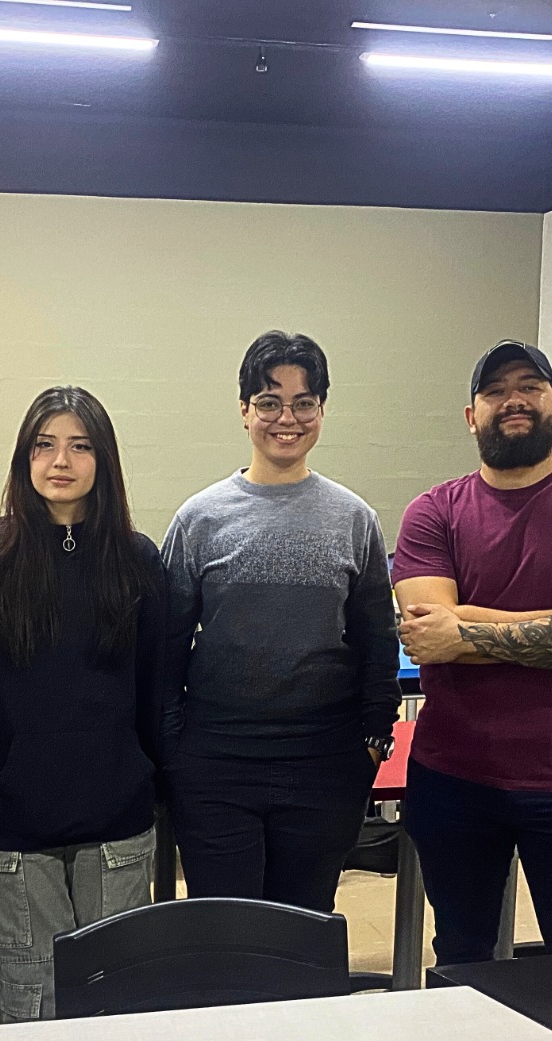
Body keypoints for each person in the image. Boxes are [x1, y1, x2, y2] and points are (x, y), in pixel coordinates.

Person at [393, 340, 552, 966]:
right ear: (471, 415)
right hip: (453, 779)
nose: (513, 400)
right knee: (462, 956)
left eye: (530, 387)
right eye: (496, 391)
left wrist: (465, 629)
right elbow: (428, 632)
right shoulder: (432, 512)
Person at [161, 330, 400, 913]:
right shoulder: (200, 519)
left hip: (325, 765)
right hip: (216, 765)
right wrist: (174, 752)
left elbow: (377, 641)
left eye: (303, 403)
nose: (286, 419)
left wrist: (373, 742)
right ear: (245, 411)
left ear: (322, 410)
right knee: (228, 931)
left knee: (303, 928)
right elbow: (164, 647)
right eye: (269, 402)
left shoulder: (354, 520)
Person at [0, 386, 165, 1021]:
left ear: (104, 460)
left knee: (114, 1001)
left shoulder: (138, 560)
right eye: (44, 445)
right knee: (32, 1002)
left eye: (80, 446)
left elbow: (154, 688)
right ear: (25, 458)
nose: (60, 461)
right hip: (15, 822)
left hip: (116, 819)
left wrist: (152, 782)